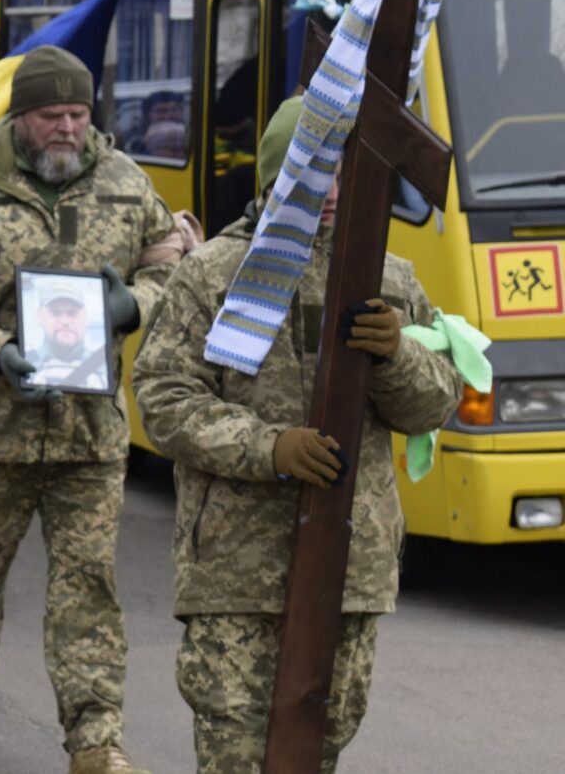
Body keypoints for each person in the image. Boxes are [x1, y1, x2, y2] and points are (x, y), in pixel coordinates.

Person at [132, 96, 461, 773]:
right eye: (315, 170)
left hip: (349, 564)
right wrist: (269, 448)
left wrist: (397, 357)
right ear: (278, 176)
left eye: (345, 169)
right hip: (238, 563)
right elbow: (163, 397)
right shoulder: (214, 274)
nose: (334, 189)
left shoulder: (389, 278)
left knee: (323, 738)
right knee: (238, 748)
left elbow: (436, 405)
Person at [0, 45, 185, 774]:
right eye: (52, 115)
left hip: (87, 439)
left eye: (78, 113)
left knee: (87, 591)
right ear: (20, 117)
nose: (67, 128)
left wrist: (134, 305)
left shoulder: (125, 181)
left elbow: (172, 264)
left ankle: (95, 738)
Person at [24, 281, 105, 390]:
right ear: (39, 316)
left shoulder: (106, 366)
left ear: (86, 318)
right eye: (55, 313)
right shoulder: (24, 363)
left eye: (73, 313)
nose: (65, 321)